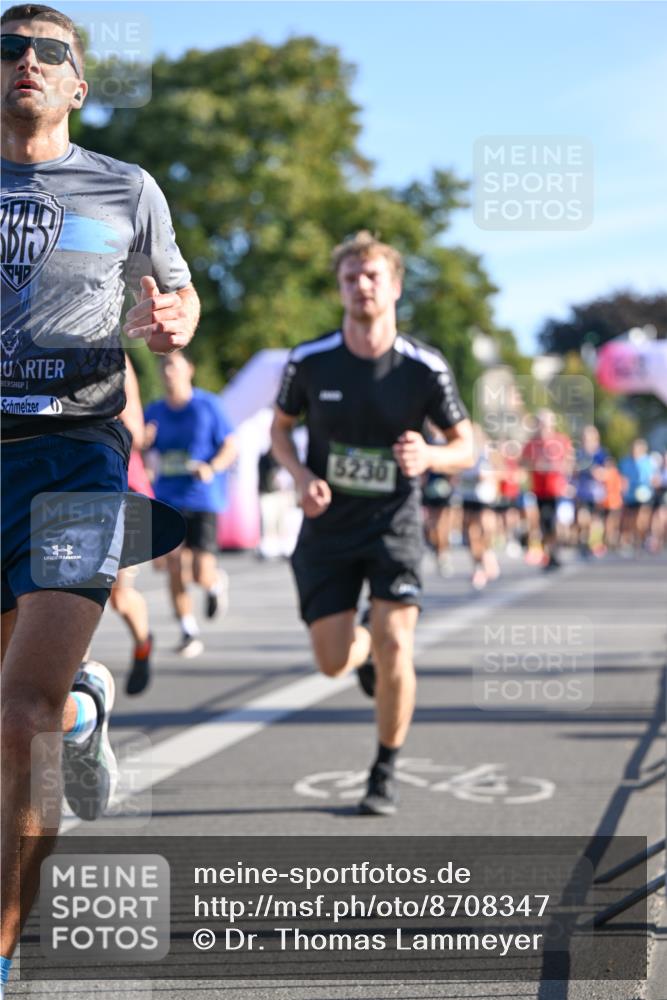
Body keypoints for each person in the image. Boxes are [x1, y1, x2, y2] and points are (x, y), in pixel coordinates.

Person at [0, 5, 199, 991]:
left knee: (18, 715)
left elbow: (180, 291)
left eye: (49, 53)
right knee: (14, 707)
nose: (25, 64)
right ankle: (85, 703)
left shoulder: (127, 186)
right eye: (8, 49)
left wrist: (169, 317)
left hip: (77, 454)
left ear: (77, 82)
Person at [271, 231, 473, 816]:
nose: (361, 286)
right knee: (334, 660)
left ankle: (384, 768)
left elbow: (467, 444)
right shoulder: (309, 361)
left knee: (396, 645)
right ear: (339, 288)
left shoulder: (423, 367)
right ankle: (360, 656)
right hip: (328, 527)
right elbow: (280, 430)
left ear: (395, 286)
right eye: (350, 278)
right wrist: (299, 475)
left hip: (394, 525)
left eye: (372, 277)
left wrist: (430, 457)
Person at [145, 351, 237, 657]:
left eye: (174, 365)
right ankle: (188, 630)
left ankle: (213, 584)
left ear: (190, 369)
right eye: (164, 366)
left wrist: (212, 468)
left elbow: (230, 445)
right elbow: (143, 451)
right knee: (174, 566)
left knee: (199, 571)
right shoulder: (154, 411)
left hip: (202, 498)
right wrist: (144, 444)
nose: (168, 371)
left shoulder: (208, 405)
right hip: (167, 497)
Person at [110, 356, 154, 695]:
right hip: (62, 490)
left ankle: (143, 645)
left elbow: (136, 433)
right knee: (62, 593)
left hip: (124, 491)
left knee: (120, 597)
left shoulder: (113, 356)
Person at [521, 409, 574, 570]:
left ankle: (554, 552)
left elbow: (569, 462)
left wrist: (563, 475)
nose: (543, 426)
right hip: (539, 489)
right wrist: (535, 465)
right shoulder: (531, 443)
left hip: (556, 488)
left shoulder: (561, 440)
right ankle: (550, 554)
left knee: (553, 521)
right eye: (540, 422)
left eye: (546, 422)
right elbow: (523, 462)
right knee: (543, 522)